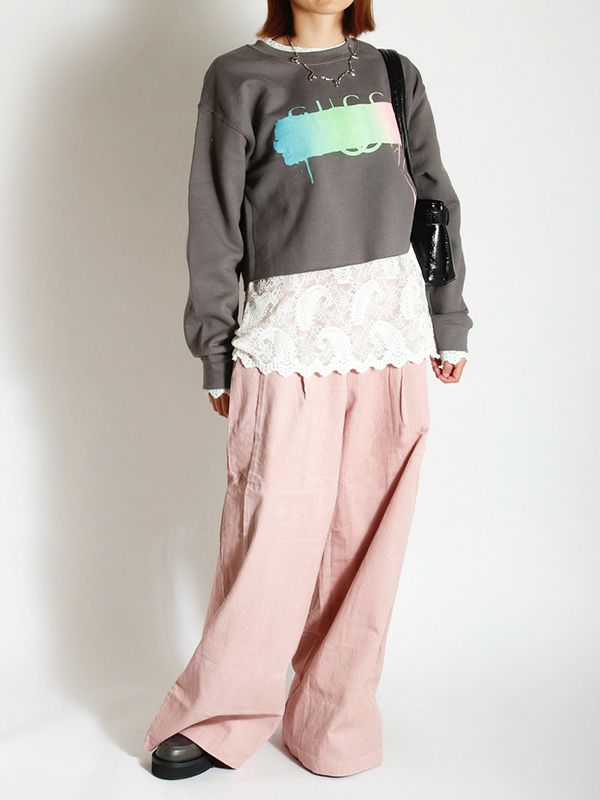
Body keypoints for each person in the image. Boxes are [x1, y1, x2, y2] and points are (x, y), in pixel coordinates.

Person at [143, 0, 473, 780]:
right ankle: (220, 714)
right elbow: (214, 220)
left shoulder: (395, 74)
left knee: (367, 540)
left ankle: (335, 721)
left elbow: (435, 199)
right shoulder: (239, 77)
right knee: (271, 530)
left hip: (389, 333)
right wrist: (216, 348)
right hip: (287, 337)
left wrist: (447, 318)